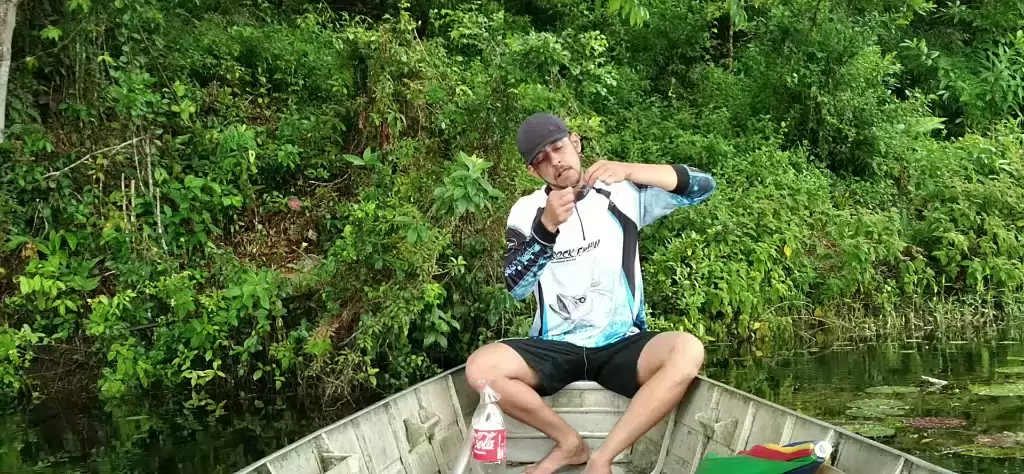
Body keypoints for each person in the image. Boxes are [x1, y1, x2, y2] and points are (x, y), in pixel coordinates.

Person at [464, 112, 717, 474]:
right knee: (481, 368)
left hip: (621, 341)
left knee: (688, 350)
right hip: (556, 345)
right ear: (533, 172)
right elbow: (516, 288)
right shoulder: (526, 211)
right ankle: (569, 443)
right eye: (542, 159)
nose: (555, 161)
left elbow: (703, 186)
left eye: (559, 148)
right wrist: (546, 228)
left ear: (576, 143)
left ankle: (602, 457)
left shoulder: (623, 194)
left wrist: (631, 169)